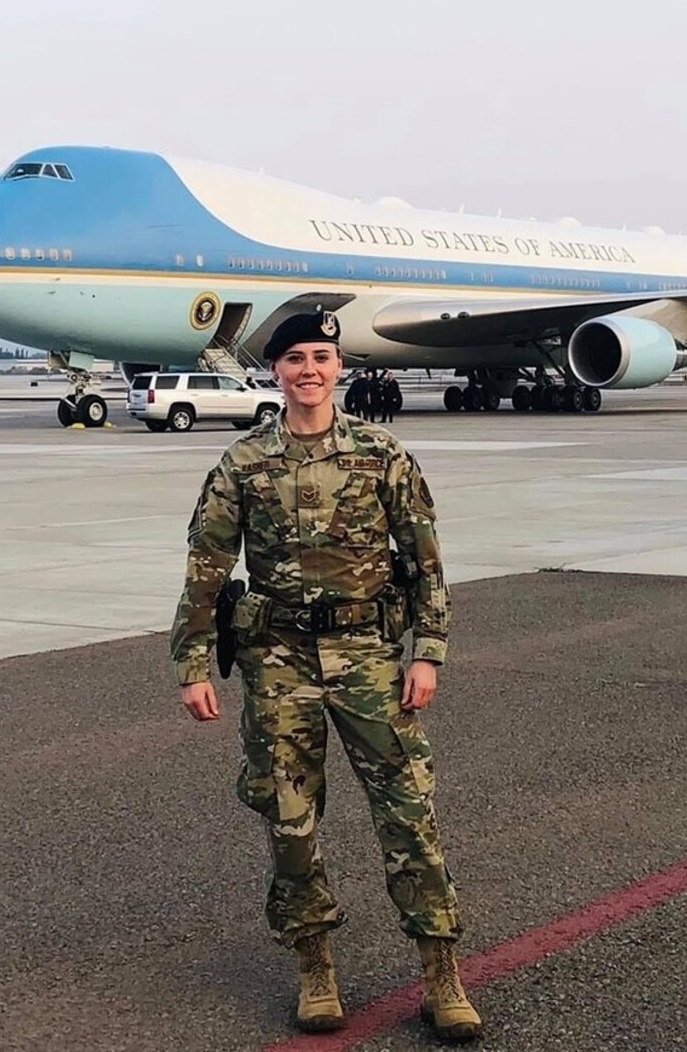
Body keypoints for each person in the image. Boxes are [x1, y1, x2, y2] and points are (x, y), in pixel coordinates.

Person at [170, 310, 481, 1040]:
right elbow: (206, 570)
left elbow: (427, 562)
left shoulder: (382, 454)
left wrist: (428, 651)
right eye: (295, 359)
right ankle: (315, 967)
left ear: (339, 368)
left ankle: (441, 972)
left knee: (408, 816)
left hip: (370, 659)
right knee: (289, 823)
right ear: (274, 372)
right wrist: (191, 664)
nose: (309, 370)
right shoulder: (242, 464)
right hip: (277, 664)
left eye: (321, 357)